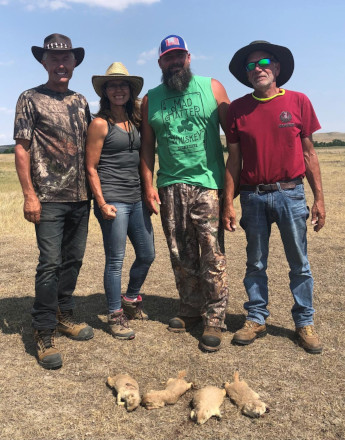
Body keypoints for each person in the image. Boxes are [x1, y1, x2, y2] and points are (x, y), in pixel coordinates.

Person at [224, 40, 325, 354]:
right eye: (251, 65)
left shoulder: (298, 101)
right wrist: (228, 201)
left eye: (264, 62)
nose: (258, 69)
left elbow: (309, 155)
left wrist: (319, 198)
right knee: (255, 262)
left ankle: (304, 322)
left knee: (299, 263)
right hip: (252, 197)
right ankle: (256, 317)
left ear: (278, 68)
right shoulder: (238, 109)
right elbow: (234, 160)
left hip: (291, 194)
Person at [140, 35, 230, 352]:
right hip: (169, 186)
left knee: (211, 252)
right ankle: (191, 307)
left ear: (189, 58)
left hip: (207, 183)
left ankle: (215, 318)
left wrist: (231, 191)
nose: (175, 61)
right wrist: (149, 185)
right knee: (180, 252)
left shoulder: (213, 87)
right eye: (168, 57)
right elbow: (147, 148)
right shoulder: (151, 99)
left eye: (180, 56)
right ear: (161, 63)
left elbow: (234, 137)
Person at [14, 33, 94, 370]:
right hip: (47, 198)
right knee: (49, 263)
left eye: (67, 59)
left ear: (74, 63)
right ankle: (43, 330)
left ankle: (65, 315)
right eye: (54, 58)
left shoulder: (81, 101)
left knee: (73, 260)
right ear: (44, 62)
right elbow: (22, 147)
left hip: (80, 197)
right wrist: (29, 194)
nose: (61, 64)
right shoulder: (30, 98)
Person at [86, 63, 155, 340]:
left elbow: (144, 158)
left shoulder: (135, 121)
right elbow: (91, 167)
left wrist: (148, 191)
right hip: (113, 199)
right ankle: (115, 314)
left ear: (130, 90)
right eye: (112, 85)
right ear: (105, 91)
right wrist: (101, 203)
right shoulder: (100, 124)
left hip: (137, 197)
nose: (118, 90)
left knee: (147, 254)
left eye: (123, 85)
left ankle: (131, 298)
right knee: (115, 260)